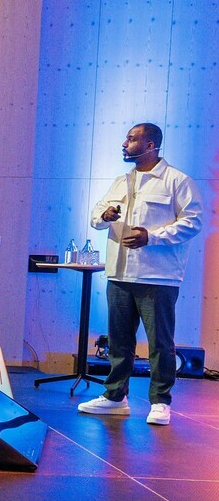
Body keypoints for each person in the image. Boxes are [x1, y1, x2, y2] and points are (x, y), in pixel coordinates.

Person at [79, 123, 203, 427]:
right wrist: (104, 216)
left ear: (151, 146)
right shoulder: (122, 182)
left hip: (157, 276)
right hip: (120, 273)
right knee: (119, 341)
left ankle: (161, 401)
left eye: (132, 139)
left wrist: (152, 235)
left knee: (160, 342)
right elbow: (96, 213)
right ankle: (114, 397)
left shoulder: (177, 181)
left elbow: (193, 222)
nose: (124, 144)